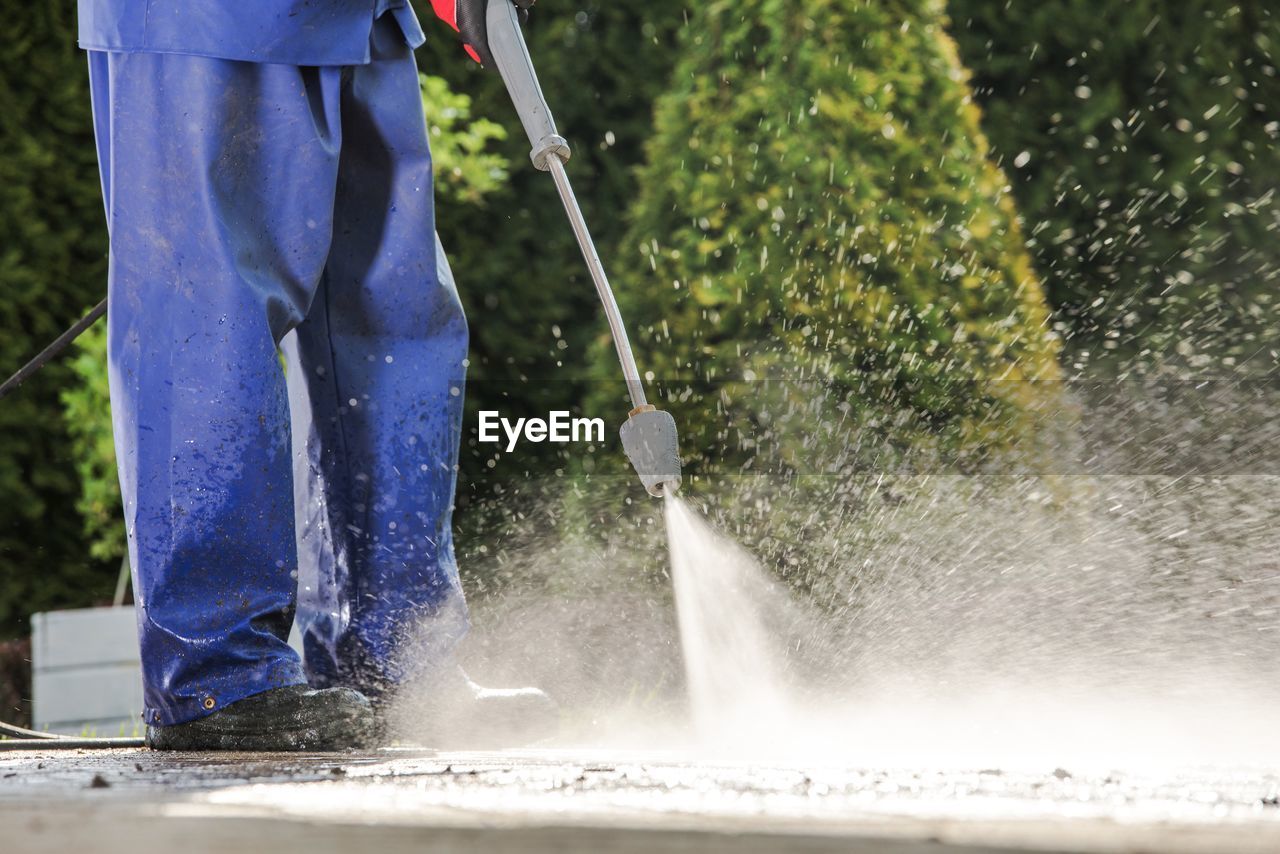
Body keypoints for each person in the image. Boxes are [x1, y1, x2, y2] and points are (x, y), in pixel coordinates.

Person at [78, 0, 553, 750]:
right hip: (209, 19)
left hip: (361, 17)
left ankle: (398, 654)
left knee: (392, 313)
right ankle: (217, 672)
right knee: (212, 312)